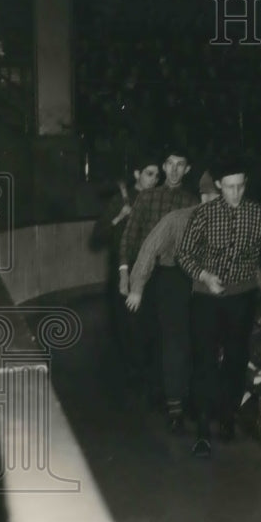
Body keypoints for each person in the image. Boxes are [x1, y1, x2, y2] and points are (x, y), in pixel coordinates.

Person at [175, 156, 261, 457]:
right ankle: (203, 429)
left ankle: (227, 417)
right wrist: (204, 276)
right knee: (205, 360)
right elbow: (184, 254)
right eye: (229, 187)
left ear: (245, 184)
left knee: (235, 360)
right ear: (219, 185)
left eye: (240, 187)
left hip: (241, 298)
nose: (235, 193)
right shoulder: (204, 214)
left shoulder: (258, 214)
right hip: (206, 297)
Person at [125, 171, 219, 433]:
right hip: (173, 279)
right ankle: (175, 407)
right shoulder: (177, 219)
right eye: (216, 198)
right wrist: (137, 288)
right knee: (176, 341)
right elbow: (149, 249)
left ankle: (197, 401)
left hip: (203, 282)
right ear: (204, 197)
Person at [117, 147, 197, 404]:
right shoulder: (147, 197)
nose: (174, 169)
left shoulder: (192, 202)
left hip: (173, 274)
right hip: (143, 273)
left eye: (180, 164)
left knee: (172, 334)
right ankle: (145, 389)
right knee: (143, 332)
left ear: (187, 169)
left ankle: (168, 392)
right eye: (170, 163)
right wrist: (124, 272)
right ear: (163, 166)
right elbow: (129, 236)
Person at [89, 153, 160, 386]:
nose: (154, 179)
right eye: (149, 174)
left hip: (150, 271)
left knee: (149, 324)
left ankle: (146, 375)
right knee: (129, 327)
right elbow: (97, 238)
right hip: (123, 272)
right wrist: (119, 217)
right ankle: (133, 378)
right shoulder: (120, 200)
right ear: (137, 174)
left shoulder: (157, 199)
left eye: (157, 175)